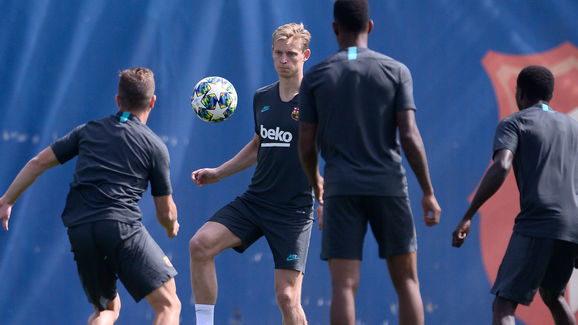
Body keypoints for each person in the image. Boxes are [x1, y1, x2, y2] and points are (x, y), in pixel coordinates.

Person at [0, 67, 181, 325]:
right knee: (168, 305)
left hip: (80, 228)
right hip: (120, 226)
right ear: (152, 101)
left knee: (107, 309)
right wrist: (171, 226)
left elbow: (38, 162)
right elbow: (165, 212)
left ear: (118, 100)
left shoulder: (88, 131)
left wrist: (7, 200)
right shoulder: (155, 146)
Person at [298, 1, 442, 324]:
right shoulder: (396, 71)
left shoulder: (316, 77)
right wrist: (428, 191)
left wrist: (315, 181)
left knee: (344, 287)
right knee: (407, 282)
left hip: (340, 188)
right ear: (371, 27)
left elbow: (305, 144)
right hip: (389, 185)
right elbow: (410, 135)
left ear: (334, 28)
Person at [189, 23, 316, 325]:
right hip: (256, 201)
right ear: (271, 54)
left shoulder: (317, 101)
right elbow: (259, 144)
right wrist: (218, 173)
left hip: (294, 211)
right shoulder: (262, 97)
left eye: (291, 54)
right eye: (278, 53)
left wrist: (327, 197)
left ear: (305, 55)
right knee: (200, 245)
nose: (284, 60)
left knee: (287, 298)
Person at [452, 65, 578, 325]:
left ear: (520, 93)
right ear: (550, 95)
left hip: (539, 222)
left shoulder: (515, 123)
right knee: (554, 295)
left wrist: (468, 215)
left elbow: (502, 166)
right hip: (572, 227)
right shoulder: (573, 127)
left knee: (504, 303)